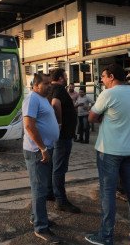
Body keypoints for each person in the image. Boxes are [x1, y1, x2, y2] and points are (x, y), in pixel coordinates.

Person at [85, 64, 130, 245]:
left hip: (109, 151)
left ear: (111, 76)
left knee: (107, 193)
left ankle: (106, 235)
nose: (101, 80)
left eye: (103, 76)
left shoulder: (108, 94)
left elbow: (91, 117)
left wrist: (105, 118)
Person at [23, 73, 62, 243]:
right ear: (35, 85)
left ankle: (37, 217)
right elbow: (29, 125)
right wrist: (43, 148)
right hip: (37, 151)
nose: (49, 86)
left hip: (46, 149)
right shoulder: (32, 99)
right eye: (45, 83)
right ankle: (41, 227)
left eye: (49, 83)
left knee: (43, 188)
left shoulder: (42, 98)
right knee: (39, 190)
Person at [47, 68, 81, 213]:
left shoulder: (49, 89)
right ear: (61, 78)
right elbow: (55, 105)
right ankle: (61, 200)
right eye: (66, 76)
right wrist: (59, 124)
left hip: (56, 135)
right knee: (59, 168)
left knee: (53, 165)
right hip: (62, 136)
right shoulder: (59, 89)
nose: (67, 78)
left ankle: (50, 192)